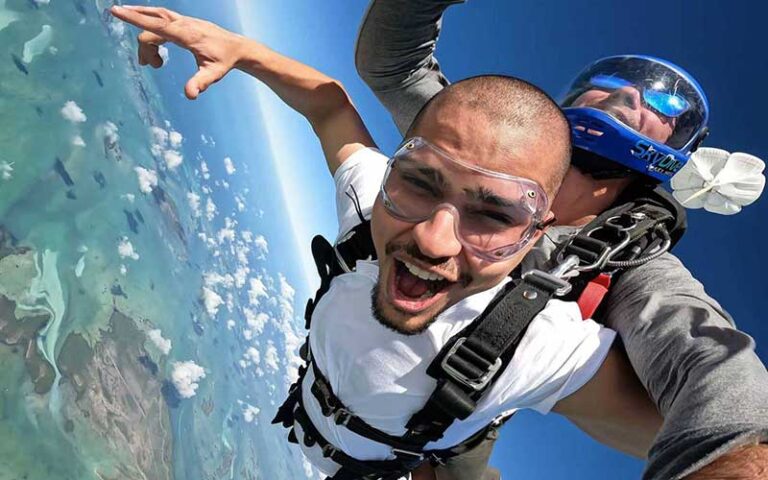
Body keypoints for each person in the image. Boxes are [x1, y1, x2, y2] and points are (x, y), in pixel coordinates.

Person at [110, 6, 667, 480]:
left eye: (493, 216)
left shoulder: (535, 347)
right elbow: (329, 107)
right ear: (391, 175)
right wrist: (241, 48)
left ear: (536, 236)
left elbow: (727, 447)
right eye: (420, 183)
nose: (433, 239)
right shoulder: (368, 210)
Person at [355, 1, 768, 479]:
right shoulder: (480, 151)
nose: (631, 93)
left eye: (664, 104)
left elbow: (706, 355)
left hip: (459, 408)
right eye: (613, 83)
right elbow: (393, 67)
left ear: (676, 146)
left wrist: (738, 456)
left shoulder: (630, 263)